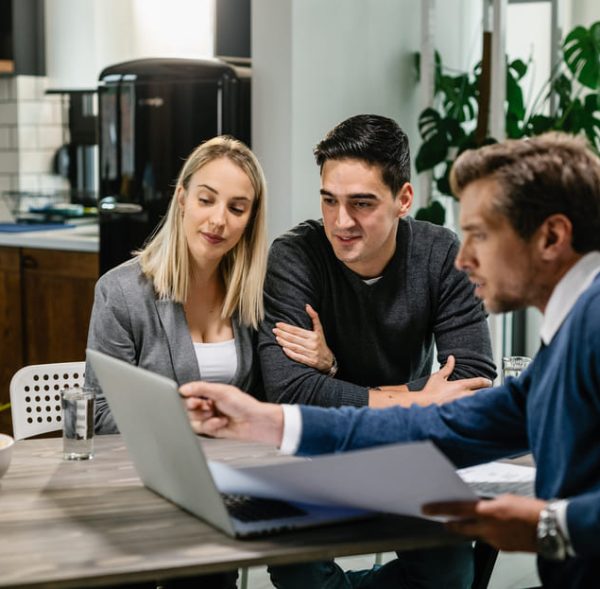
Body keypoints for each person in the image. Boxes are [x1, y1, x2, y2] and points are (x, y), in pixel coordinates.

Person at [181, 132, 600, 589]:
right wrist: (268, 421)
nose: (463, 257)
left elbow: (469, 386)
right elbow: (445, 425)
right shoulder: (573, 329)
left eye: (480, 234)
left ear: (552, 237)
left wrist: (552, 524)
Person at [258, 114, 496, 588]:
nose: (341, 222)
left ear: (403, 199)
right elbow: (288, 390)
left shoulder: (441, 255)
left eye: (361, 204)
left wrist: (333, 373)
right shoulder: (295, 256)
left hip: (406, 451)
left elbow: (472, 379)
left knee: (450, 573)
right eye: (329, 201)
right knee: (299, 573)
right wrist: (416, 399)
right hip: (314, 454)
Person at [85, 135, 268, 589]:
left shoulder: (253, 298)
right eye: (207, 199)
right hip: (142, 490)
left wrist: (322, 359)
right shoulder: (122, 292)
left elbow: (272, 395)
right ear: (182, 198)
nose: (218, 220)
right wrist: (189, 418)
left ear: (250, 220)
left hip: (225, 489)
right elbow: (99, 413)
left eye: (237, 208)